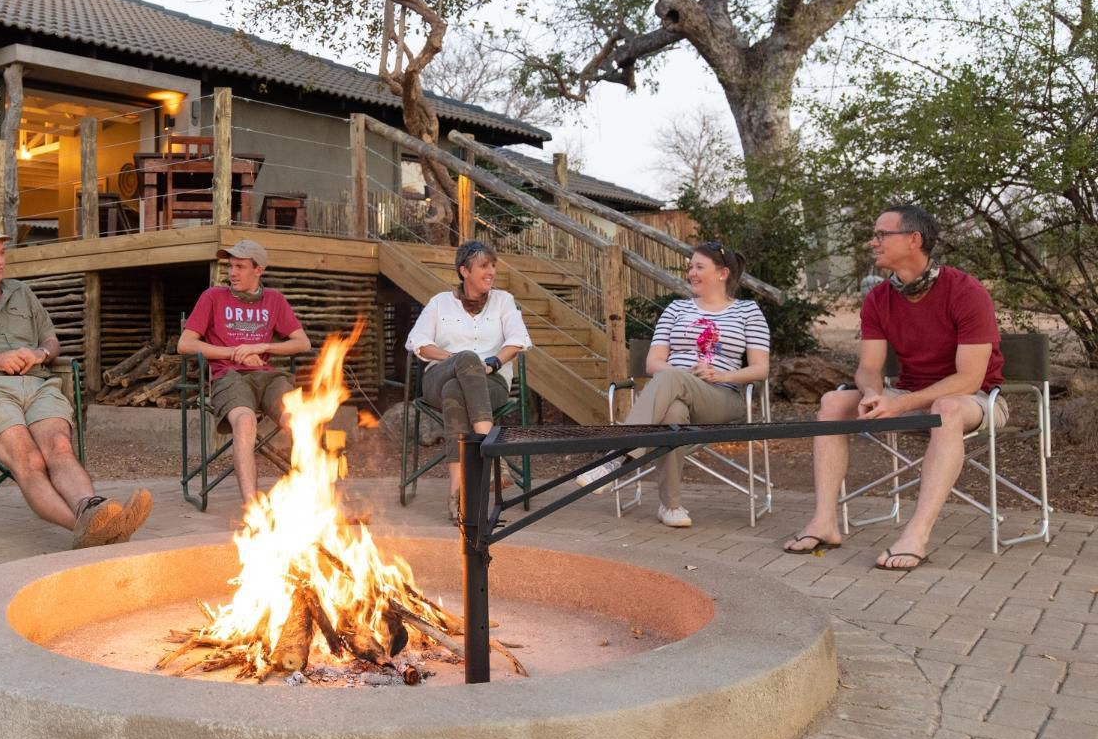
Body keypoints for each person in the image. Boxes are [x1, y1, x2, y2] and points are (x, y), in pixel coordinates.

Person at [783, 203, 1006, 569]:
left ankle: (916, 535)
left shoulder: (966, 291)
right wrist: (873, 393)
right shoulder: (878, 298)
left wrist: (900, 405)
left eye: (882, 235)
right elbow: (869, 367)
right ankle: (824, 522)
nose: (873, 243)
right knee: (832, 402)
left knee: (945, 408)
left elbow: (969, 379)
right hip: (912, 395)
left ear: (913, 239)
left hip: (977, 399)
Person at [0, 224, 151, 548]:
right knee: (29, 460)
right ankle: (89, 528)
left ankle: (91, 509)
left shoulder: (21, 293)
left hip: (37, 384)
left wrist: (40, 353)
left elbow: (50, 340)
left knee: (60, 448)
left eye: (2, 252)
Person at [577, 242, 771, 527]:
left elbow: (761, 368)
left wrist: (722, 376)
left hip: (721, 397)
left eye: (699, 267)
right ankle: (671, 507)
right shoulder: (675, 309)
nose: (691, 272)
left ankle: (615, 459)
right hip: (674, 392)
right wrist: (682, 376)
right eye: (690, 266)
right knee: (673, 413)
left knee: (671, 380)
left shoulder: (747, 312)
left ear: (722, 273)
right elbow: (653, 363)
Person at [404, 240, 532, 524]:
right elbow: (418, 343)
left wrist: (494, 362)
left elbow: (518, 340)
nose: (491, 272)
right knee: (460, 369)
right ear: (464, 271)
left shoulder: (504, 301)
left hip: (491, 382)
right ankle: (492, 454)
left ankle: (456, 495)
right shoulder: (440, 303)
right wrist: (459, 361)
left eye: (493, 266)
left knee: (455, 393)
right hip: (439, 375)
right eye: (484, 266)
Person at [179, 238, 312, 505]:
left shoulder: (274, 300)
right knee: (245, 421)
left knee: (300, 420)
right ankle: (253, 508)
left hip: (268, 376)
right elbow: (185, 344)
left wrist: (263, 346)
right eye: (231, 266)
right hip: (229, 376)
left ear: (258, 270)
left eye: (240, 266)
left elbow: (303, 343)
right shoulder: (213, 297)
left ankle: (316, 498)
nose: (233, 273)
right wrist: (235, 352)